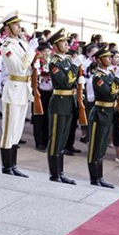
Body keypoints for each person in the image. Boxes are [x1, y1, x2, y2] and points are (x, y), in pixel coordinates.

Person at [0, 12, 38, 178]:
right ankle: (6, 166)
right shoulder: (6, 47)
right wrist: (31, 50)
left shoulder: (22, 43)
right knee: (8, 130)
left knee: (17, 130)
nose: (19, 27)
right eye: (15, 25)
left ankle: (13, 165)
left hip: (23, 89)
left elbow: (29, 65)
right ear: (7, 28)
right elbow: (19, 66)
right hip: (13, 91)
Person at [46, 28, 77, 185]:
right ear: (56, 46)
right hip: (59, 102)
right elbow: (65, 81)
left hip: (68, 102)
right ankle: (54, 173)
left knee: (63, 139)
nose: (66, 44)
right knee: (56, 139)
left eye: (66, 41)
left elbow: (73, 81)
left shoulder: (68, 60)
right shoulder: (54, 62)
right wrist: (75, 69)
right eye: (63, 42)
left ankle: (61, 172)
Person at [87, 47, 119, 188]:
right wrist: (118, 80)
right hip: (99, 113)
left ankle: (100, 177)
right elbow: (109, 93)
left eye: (110, 57)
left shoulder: (110, 74)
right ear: (99, 60)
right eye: (107, 57)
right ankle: (94, 178)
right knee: (95, 147)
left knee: (102, 147)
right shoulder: (98, 77)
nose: (110, 59)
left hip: (108, 113)